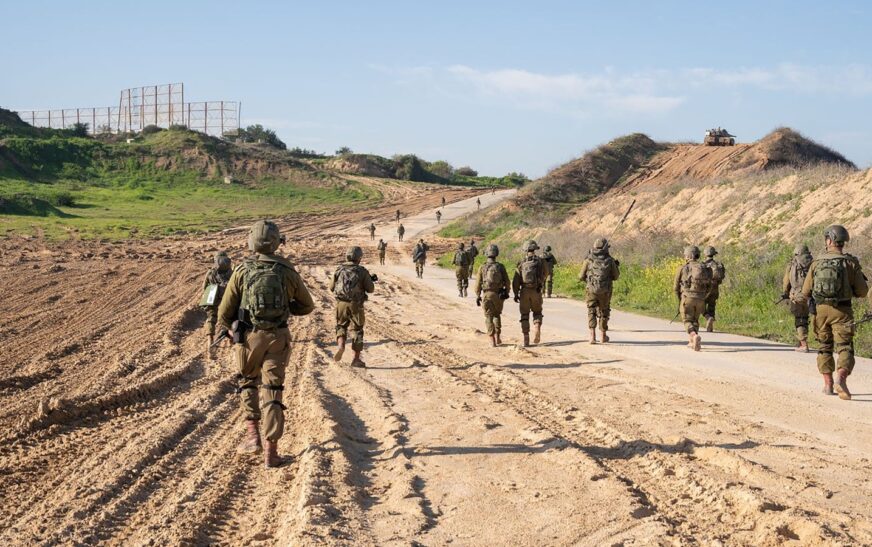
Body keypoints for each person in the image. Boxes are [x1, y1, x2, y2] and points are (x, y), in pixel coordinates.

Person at [217, 220, 315, 467]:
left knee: (248, 382)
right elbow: (307, 306)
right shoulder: (287, 270)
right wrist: (286, 308)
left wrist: (230, 330)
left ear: (251, 241)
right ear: (277, 242)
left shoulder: (241, 270)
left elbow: (224, 312)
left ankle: (253, 437)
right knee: (273, 389)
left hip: (248, 338)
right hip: (277, 337)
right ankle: (272, 453)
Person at [801, 225, 868, 399]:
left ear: (829, 240)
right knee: (845, 346)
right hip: (843, 311)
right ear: (843, 242)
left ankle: (828, 384)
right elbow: (863, 292)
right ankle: (841, 378)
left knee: (824, 347)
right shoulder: (850, 263)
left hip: (820, 312)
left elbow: (805, 292)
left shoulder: (816, 263)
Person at [330, 246, 376, 368]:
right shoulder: (362, 271)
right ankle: (356, 359)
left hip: (341, 304)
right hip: (356, 304)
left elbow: (331, 287)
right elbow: (370, 289)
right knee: (357, 330)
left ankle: (341, 346)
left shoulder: (339, 269)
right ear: (359, 258)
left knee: (341, 326)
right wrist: (369, 280)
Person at [578, 239, 620, 344]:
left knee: (591, 310)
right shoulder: (610, 260)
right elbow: (616, 276)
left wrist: (588, 281)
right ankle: (603, 336)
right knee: (604, 311)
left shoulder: (588, 260)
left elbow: (580, 276)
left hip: (591, 290)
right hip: (606, 291)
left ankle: (592, 336)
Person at [673, 245, 712, 351]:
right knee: (695, 319)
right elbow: (710, 286)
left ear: (688, 256)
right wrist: (704, 296)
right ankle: (692, 341)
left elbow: (675, 287)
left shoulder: (682, 268)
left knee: (687, 320)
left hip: (687, 297)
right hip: (701, 298)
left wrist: (680, 299)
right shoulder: (705, 268)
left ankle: (694, 336)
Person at [475, 244, 511, 347]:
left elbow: (477, 284)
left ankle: (492, 339)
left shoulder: (482, 267)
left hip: (487, 295)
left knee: (488, 316)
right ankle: (498, 336)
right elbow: (507, 281)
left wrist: (478, 295)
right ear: (496, 253)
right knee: (497, 315)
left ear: (487, 254)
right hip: (498, 295)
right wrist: (506, 292)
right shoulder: (500, 267)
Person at [512, 240, 546, 347]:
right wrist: (540, 282)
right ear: (535, 249)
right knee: (537, 312)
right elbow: (546, 273)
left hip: (524, 291)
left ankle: (526, 338)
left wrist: (516, 294)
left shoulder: (521, 263)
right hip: (536, 290)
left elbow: (516, 281)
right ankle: (537, 327)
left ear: (525, 250)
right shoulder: (540, 261)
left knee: (524, 315)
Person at [781, 243, 813, 352]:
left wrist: (785, 292)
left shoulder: (792, 264)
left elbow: (786, 282)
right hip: (812, 295)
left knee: (800, 319)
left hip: (797, 295)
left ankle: (803, 344)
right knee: (812, 318)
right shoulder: (813, 262)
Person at [201, 251, 233, 357]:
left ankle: (210, 341)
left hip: (212, 296)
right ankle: (231, 340)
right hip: (227, 297)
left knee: (211, 318)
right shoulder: (230, 271)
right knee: (230, 317)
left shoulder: (211, 272)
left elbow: (205, 287)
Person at [702, 246, 726, 332]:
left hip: (705, 289)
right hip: (715, 289)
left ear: (705, 254)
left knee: (701, 305)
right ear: (714, 254)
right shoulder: (718, 264)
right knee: (712, 306)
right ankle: (711, 323)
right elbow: (722, 276)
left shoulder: (703, 265)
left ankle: (707, 317)